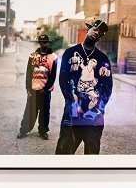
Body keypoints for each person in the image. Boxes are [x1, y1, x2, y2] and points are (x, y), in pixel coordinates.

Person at [55, 20, 113, 155]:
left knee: (91, 156)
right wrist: (72, 103)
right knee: (63, 153)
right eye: (95, 29)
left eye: (100, 33)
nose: (97, 33)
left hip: (94, 116)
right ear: (89, 29)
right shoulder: (70, 53)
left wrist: (98, 107)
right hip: (72, 112)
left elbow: (107, 87)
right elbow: (63, 81)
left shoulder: (103, 58)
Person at [17, 33, 58, 138]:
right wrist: (28, 88)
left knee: (44, 112)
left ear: (48, 43)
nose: (43, 44)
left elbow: (53, 75)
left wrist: (46, 89)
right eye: (41, 42)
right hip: (34, 89)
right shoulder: (33, 56)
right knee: (29, 112)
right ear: (39, 43)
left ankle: (43, 132)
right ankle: (23, 130)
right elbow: (29, 73)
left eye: (45, 42)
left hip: (46, 90)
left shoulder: (53, 57)